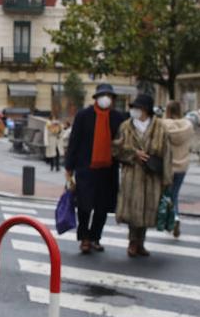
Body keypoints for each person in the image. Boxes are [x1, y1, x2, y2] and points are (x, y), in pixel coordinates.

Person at [64, 83, 127, 255]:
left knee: (102, 207)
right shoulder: (84, 116)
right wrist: (69, 167)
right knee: (84, 206)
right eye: (103, 95)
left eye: (109, 95)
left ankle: (95, 238)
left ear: (113, 99)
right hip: (86, 168)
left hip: (108, 169)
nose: (106, 98)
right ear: (97, 98)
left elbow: (123, 143)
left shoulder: (118, 118)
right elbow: (74, 142)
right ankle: (84, 238)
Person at [113, 93, 172, 258]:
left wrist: (167, 179)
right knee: (133, 210)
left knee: (147, 210)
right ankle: (132, 241)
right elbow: (116, 149)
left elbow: (167, 154)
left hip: (152, 176)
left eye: (137, 108)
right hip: (132, 174)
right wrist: (133, 154)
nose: (134, 110)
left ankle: (141, 242)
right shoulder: (126, 126)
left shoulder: (160, 127)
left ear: (145, 109)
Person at [162, 100, 193, 238]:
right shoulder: (188, 126)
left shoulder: (163, 125)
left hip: (168, 166)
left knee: (167, 195)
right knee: (174, 195)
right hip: (182, 166)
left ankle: (172, 219)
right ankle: (174, 219)